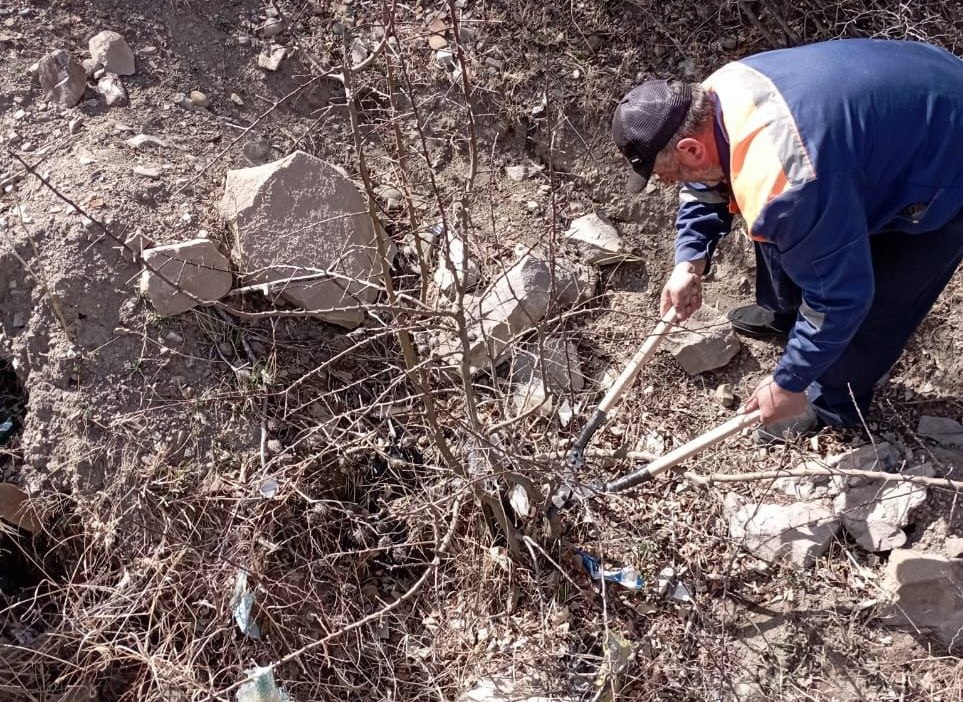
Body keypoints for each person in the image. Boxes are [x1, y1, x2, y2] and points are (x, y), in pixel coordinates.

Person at [611, 38, 963, 436]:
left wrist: (788, 382)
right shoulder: (712, 97)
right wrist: (689, 259)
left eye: (666, 174)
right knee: (780, 217)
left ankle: (831, 401)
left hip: (946, 155)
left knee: (881, 295)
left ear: (691, 148)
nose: (667, 183)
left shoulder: (788, 181)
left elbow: (841, 297)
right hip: (899, 104)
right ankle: (787, 316)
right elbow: (708, 184)